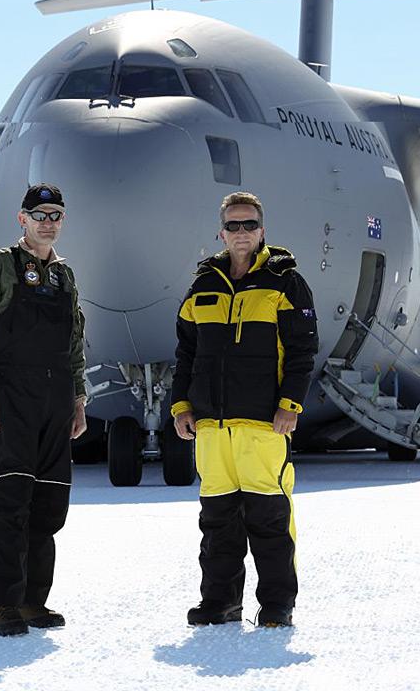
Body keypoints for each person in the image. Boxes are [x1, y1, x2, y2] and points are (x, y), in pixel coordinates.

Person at [170, 191, 319, 628]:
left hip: (262, 424)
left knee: (269, 520)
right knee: (217, 522)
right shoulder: (203, 285)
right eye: (233, 226)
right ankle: (219, 603)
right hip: (211, 428)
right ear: (221, 231)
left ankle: (276, 605)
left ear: (262, 230)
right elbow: (185, 352)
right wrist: (181, 405)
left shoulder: (286, 282)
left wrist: (290, 405)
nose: (241, 233)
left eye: (248, 225)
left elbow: (301, 350)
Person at [0, 183, 87, 636]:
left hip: (55, 403)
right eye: (40, 215)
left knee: (49, 503)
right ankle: (3, 604)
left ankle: (34, 601)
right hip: (10, 400)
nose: (48, 222)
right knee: (8, 502)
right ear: (23, 220)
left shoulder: (64, 277)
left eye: (56, 214)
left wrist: (77, 398)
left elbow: (74, 342)